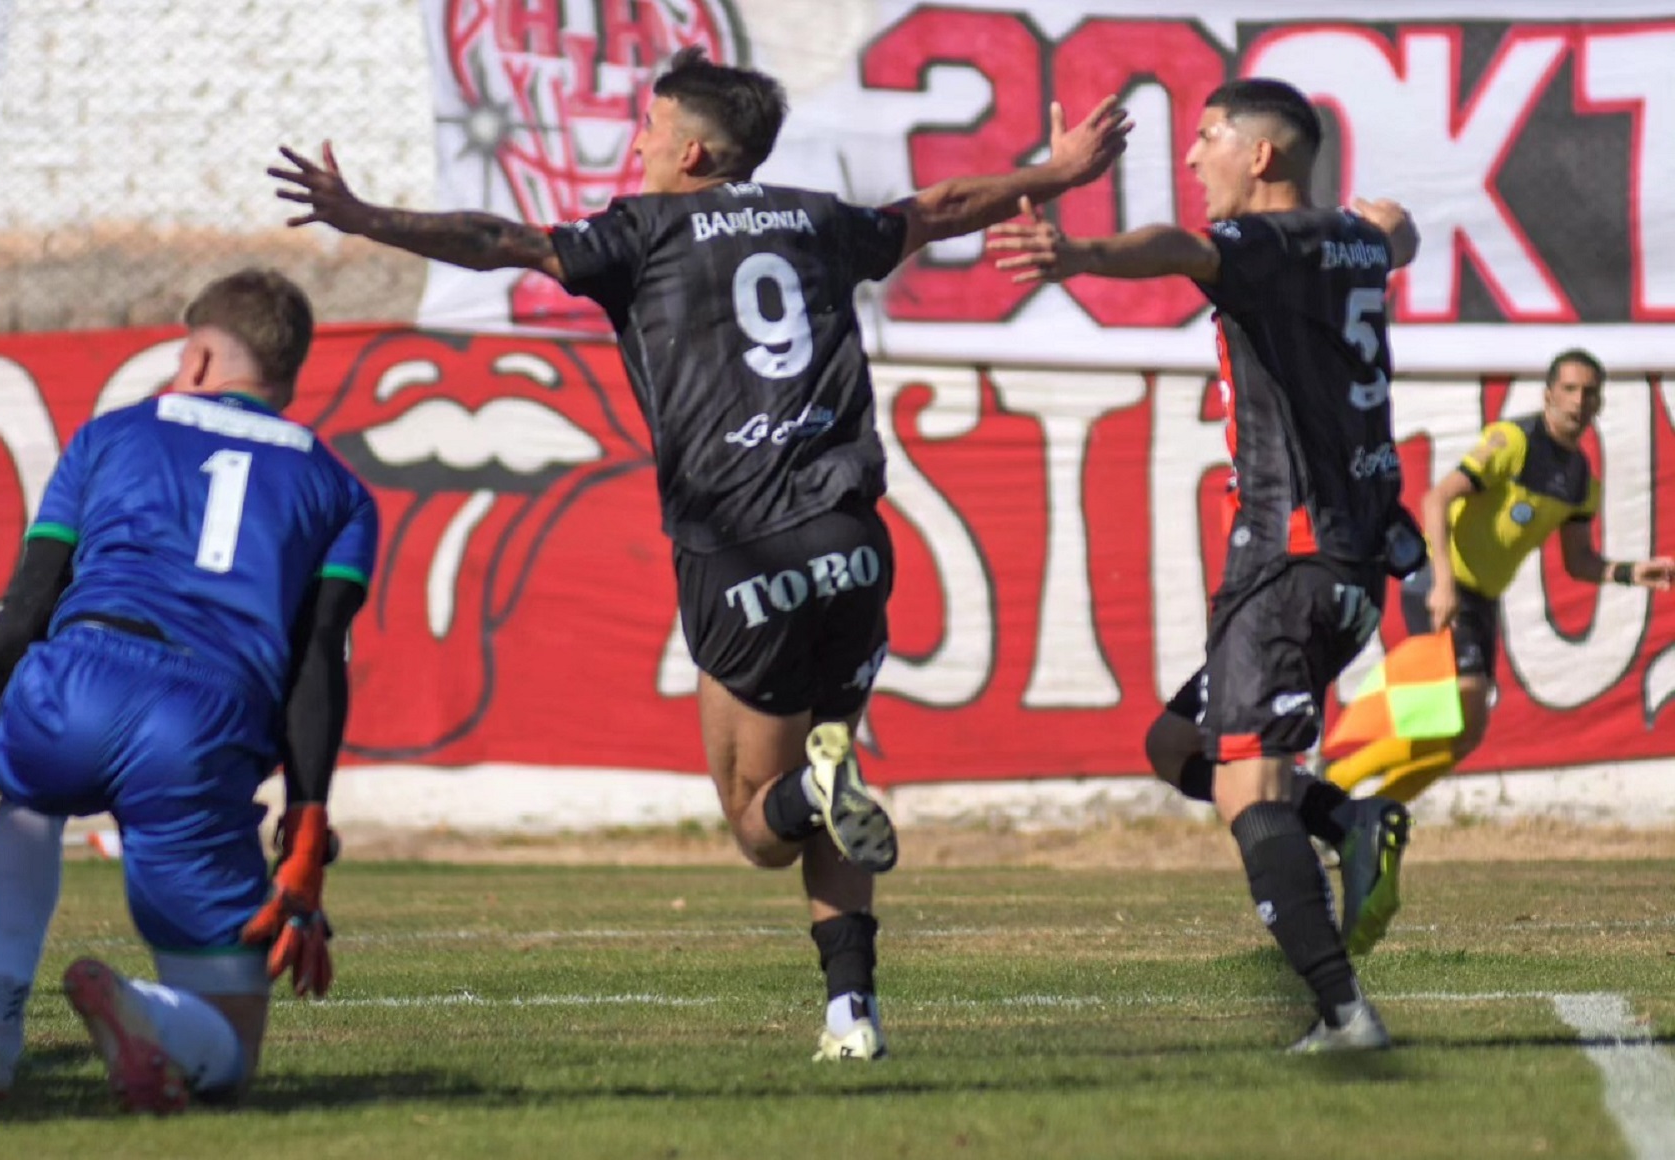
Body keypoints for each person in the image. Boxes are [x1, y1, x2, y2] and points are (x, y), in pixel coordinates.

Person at [269, 47, 1130, 1061]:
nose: (633, 144)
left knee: (762, 825)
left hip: (739, 549)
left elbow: (497, 238)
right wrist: (1059, 172)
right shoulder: (818, 219)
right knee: (832, 760)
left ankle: (818, 801)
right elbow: (945, 204)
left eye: (645, 127)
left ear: (688, 150)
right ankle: (851, 1012)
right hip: (854, 542)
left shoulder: (637, 235)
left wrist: (366, 217)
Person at [990, 77, 1419, 1051]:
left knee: (1243, 786)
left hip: (1289, 558)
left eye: (1209, 138)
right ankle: (1350, 822)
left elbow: (1177, 249)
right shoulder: (1356, 242)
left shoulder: (1260, 247)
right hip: (1348, 565)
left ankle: (1343, 1011)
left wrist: (1079, 254)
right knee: (1176, 746)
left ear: (1262, 155)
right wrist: (1380, 222)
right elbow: (1398, 229)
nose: (1192, 159)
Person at [0, 268, 378, 1110]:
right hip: (201, 722)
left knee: (30, 796)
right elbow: (315, 666)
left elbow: (28, 609)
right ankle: (134, 1007)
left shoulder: (109, 434)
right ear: (287, 373)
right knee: (227, 1061)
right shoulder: (342, 491)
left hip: (72, 683)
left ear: (194, 360)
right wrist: (306, 824)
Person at [1326, 350, 1675, 802]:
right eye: (1568, 389)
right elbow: (1436, 500)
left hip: (1481, 599)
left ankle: (1371, 815)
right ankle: (1336, 783)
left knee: (1466, 734)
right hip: (1443, 584)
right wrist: (1444, 583)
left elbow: (1578, 562)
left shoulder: (1580, 479)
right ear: (1548, 395)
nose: (1578, 401)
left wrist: (1629, 572)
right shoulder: (1513, 441)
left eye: (1589, 392)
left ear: (1599, 404)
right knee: (1462, 712)